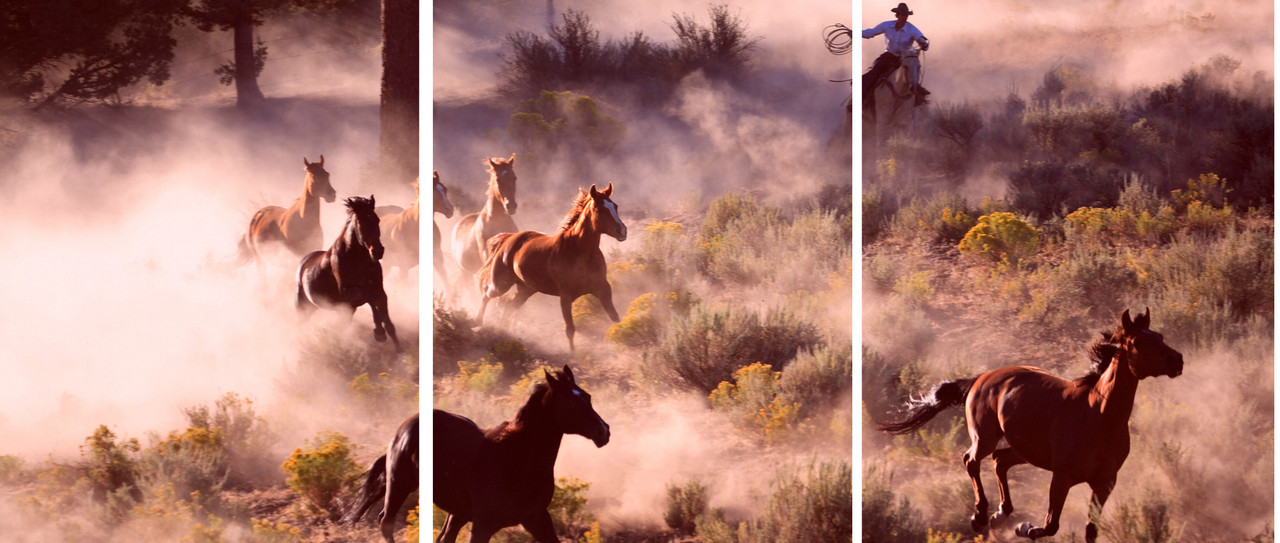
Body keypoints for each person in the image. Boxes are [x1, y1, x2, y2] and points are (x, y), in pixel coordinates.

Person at [863, 3, 931, 106]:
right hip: (888, 57)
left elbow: (921, 38)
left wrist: (923, 42)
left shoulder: (912, 29)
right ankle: (861, 99)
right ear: (897, 15)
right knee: (873, 74)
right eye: (902, 15)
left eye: (906, 15)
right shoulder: (886, 25)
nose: (904, 17)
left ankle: (917, 98)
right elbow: (871, 32)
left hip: (904, 59)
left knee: (913, 75)